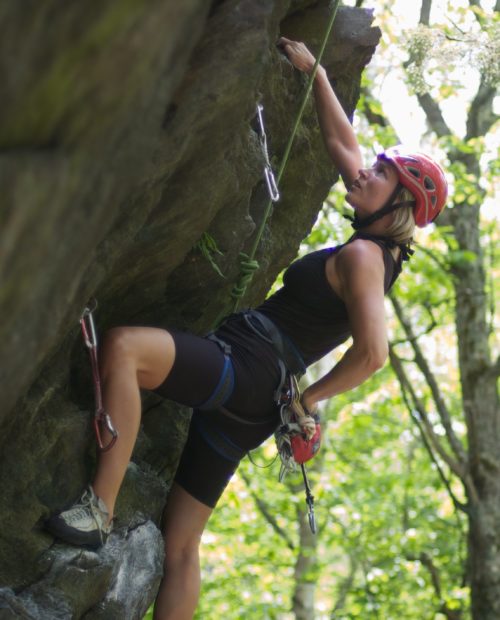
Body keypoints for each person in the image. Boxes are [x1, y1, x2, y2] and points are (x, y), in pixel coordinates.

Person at [45, 38, 448, 619]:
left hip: (249, 369)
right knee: (182, 544)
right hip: (258, 400)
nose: (367, 171)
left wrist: (311, 397)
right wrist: (317, 75)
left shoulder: (364, 258)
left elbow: (374, 354)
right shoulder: (379, 250)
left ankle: (98, 510)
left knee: (126, 349)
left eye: (382, 173)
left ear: (400, 205)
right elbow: (343, 144)